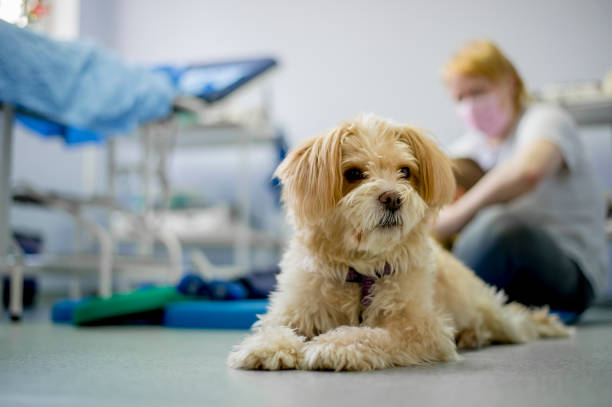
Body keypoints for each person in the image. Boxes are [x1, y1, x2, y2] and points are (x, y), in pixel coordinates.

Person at [434, 39, 608, 314]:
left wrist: (453, 218)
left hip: (570, 277)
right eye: (460, 98)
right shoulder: (471, 146)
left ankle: (440, 312)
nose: (470, 105)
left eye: (478, 91)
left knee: (499, 226)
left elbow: (529, 171)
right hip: (514, 285)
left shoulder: (546, 119)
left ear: (510, 82)